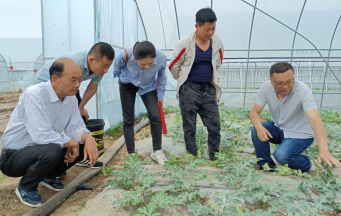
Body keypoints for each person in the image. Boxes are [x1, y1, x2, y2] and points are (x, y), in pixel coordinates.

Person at [0, 58, 100, 207]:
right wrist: (72, 141)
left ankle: (48, 176)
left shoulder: (71, 98)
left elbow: (76, 127)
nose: (78, 85)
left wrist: (88, 139)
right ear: (55, 79)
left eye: (79, 80)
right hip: (13, 157)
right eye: (73, 80)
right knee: (53, 149)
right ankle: (26, 187)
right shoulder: (35, 94)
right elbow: (42, 135)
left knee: (80, 144)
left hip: (40, 150)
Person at [250, 62, 341, 172]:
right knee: (256, 129)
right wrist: (259, 128)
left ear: (294, 76)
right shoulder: (266, 87)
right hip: (280, 129)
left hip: (300, 134)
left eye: (289, 82)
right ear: (271, 80)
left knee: (282, 156)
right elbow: (255, 112)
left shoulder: (303, 91)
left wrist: (324, 150)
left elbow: (315, 121)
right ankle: (266, 165)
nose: (285, 86)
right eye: (280, 83)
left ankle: (306, 164)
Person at [168, 8, 224, 160]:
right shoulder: (185, 43)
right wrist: (183, 81)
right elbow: (173, 66)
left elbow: (218, 62)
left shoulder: (217, 42)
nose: (211, 32)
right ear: (197, 26)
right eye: (207, 29)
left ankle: (214, 154)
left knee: (214, 124)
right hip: (189, 89)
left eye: (213, 28)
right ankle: (192, 154)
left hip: (208, 89)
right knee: (189, 125)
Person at [113, 41, 167, 165]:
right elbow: (117, 68)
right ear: (135, 58)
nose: (147, 67)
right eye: (143, 64)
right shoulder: (125, 55)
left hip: (148, 86)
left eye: (150, 63)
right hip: (128, 84)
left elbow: (162, 76)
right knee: (128, 119)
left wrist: (160, 95)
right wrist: (120, 81)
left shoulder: (161, 57)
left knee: (155, 116)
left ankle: (157, 150)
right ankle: (131, 153)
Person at [35, 42, 115, 122]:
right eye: (104, 66)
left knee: (77, 114)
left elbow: (92, 88)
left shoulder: (99, 69)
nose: (106, 70)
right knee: (53, 114)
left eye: (109, 66)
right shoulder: (76, 63)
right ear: (91, 60)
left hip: (68, 85)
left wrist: (80, 108)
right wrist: (76, 109)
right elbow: (66, 87)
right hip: (47, 80)